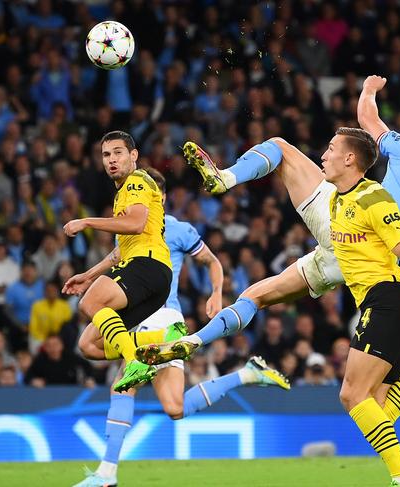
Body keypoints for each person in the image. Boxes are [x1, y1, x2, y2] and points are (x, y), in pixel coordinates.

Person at [135, 81, 400, 383]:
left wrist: (368, 88)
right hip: (362, 266)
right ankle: (195, 341)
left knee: (280, 148)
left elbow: (368, 118)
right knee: (259, 294)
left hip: (351, 223)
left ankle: (225, 178)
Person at [74, 168, 289, 487]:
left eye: (150, 194)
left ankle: (107, 473)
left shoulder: (176, 229)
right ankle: (248, 374)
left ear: (160, 198)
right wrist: (89, 277)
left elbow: (213, 262)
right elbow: (115, 256)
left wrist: (217, 293)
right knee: (174, 407)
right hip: (156, 320)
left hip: (157, 314)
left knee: (119, 381)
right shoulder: (132, 232)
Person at [322, 127, 400, 486]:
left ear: (350, 159)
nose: (324, 155)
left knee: (351, 395)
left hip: (389, 301)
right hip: (381, 303)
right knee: (378, 412)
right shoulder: (336, 198)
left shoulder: (375, 197)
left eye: (331, 148)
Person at [62, 131, 172, 392]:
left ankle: (135, 360)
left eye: (118, 152)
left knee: (90, 302)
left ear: (133, 155)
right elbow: (120, 252)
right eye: (106, 154)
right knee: (88, 345)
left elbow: (135, 224)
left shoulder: (136, 181)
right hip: (152, 274)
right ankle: (163, 338)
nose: (111, 159)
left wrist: (86, 221)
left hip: (147, 264)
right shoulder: (123, 194)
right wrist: (88, 275)